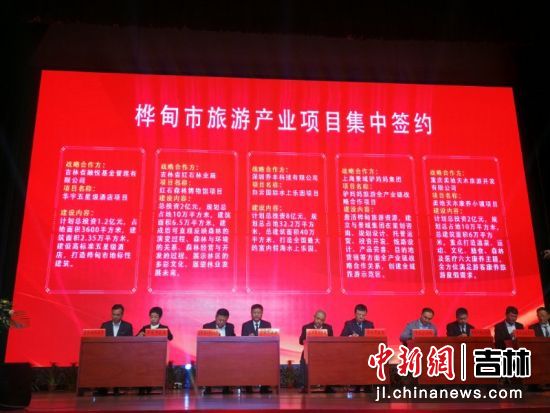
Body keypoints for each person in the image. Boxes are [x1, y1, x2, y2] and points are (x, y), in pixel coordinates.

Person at [96, 304, 133, 396]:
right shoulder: (105, 325)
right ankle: (102, 388)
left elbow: (130, 343)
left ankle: (118, 388)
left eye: (117, 315)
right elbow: (100, 341)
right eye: (113, 314)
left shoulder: (128, 326)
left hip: (122, 355)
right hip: (107, 355)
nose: (115, 317)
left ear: (122, 315)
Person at [137, 307, 173, 395]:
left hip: (159, 355)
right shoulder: (145, 328)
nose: (153, 319)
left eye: (155, 317)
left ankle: (153, 386)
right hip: (146, 355)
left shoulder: (164, 328)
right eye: (151, 317)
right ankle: (143, 388)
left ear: (159, 317)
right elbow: (136, 337)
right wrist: (140, 335)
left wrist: (165, 334)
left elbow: (171, 337)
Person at [340, 304, 374, 392]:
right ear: (355, 314)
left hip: (366, 352)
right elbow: (342, 337)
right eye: (359, 314)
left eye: (363, 315)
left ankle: (367, 385)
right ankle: (355, 385)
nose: (361, 317)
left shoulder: (370, 324)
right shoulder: (349, 324)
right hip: (352, 353)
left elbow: (373, 339)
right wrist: (350, 336)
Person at [299, 310, 333, 393]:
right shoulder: (306, 327)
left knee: (332, 359)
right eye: (318, 318)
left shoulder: (328, 328)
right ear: (314, 317)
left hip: (323, 353)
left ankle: (328, 386)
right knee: (304, 359)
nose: (319, 321)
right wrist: (307, 337)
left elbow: (331, 342)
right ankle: (305, 386)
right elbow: (300, 341)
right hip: (309, 352)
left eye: (322, 320)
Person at [241, 304, 272, 393]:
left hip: (263, 353)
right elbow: (242, 339)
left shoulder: (267, 324)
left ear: (262, 313)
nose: (256, 314)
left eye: (259, 312)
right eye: (254, 312)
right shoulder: (245, 325)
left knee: (266, 365)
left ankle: (264, 387)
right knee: (248, 366)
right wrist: (248, 337)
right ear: (251, 313)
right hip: (249, 352)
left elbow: (269, 339)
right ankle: (248, 387)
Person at [202, 309, 235, 395]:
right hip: (211, 354)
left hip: (226, 354)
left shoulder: (230, 327)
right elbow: (203, 342)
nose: (221, 322)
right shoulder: (207, 326)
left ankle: (226, 388)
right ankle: (208, 387)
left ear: (227, 319)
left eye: (224, 320)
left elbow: (233, 339)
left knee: (230, 361)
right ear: (215, 317)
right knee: (208, 361)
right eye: (219, 319)